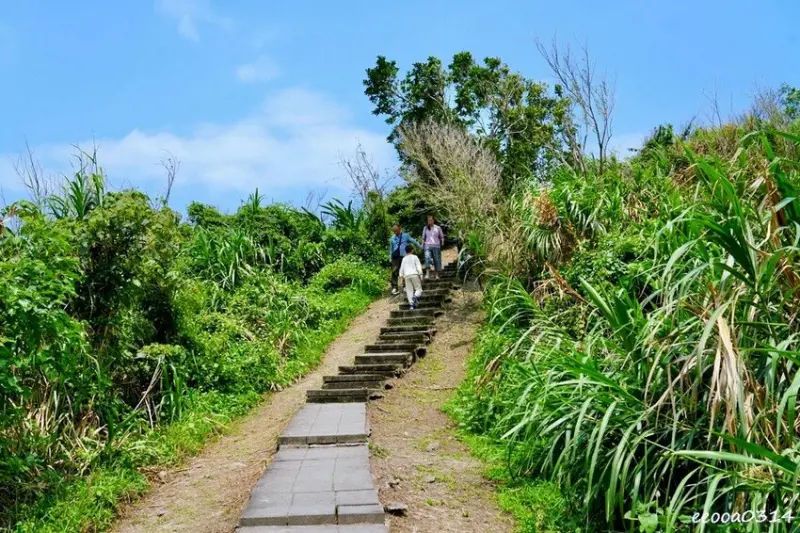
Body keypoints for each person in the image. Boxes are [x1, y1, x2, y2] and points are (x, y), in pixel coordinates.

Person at [389, 225, 421, 295]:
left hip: (404, 256)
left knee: (405, 271)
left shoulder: (406, 236)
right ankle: (394, 288)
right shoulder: (392, 238)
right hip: (395, 257)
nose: (395, 232)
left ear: (399, 229)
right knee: (394, 272)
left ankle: (405, 286)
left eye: (396, 231)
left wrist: (421, 247)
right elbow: (391, 249)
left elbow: (414, 241)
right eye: (394, 231)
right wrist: (390, 258)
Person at [398, 244, 423, 309]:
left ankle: (411, 305)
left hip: (406, 276)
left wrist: (401, 277)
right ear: (412, 250)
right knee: (419, 289)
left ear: (406, 251)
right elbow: (418, 266)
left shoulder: (404, 259)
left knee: (409, 291)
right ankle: (415, 296)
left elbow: (401, 269)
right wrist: (420, 274)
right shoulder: (415, 257)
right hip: (414, 274)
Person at [421, 215, 445, 280]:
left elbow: (442, 236)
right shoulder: (425, 228)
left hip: (436, 246)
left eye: (431, 220)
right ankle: (427, 274)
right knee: (427, 259)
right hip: (427, 246)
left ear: (433, 220)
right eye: (428, 220)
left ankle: (437, 275)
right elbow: (423, 238)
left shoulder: (438, 228)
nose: (430, 221)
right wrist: (422, 245)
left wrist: (442, 242)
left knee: (437, 260)